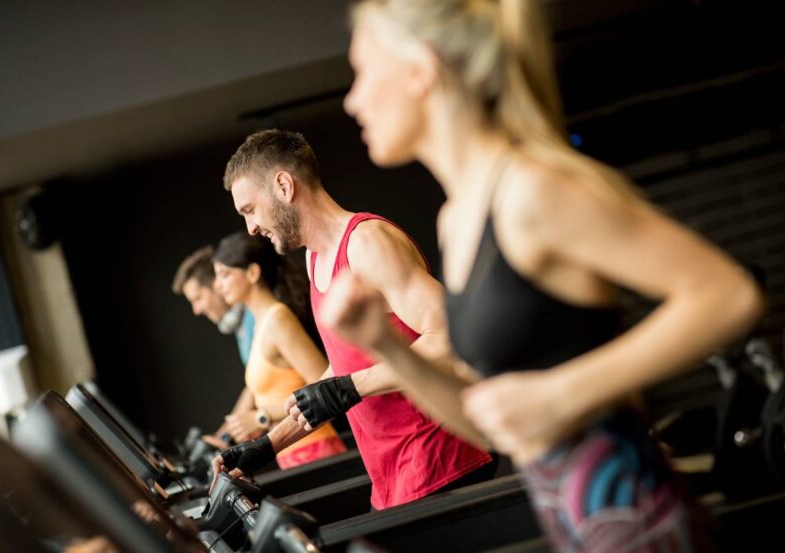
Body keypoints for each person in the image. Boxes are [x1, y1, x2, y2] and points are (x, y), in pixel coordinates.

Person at [320, 0, 765, 550]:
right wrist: (387, 345)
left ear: (420, 69)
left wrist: (562, 394)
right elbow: (486, 423)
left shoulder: (530, 191)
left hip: (645, 528)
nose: (352, 99)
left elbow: (726, 293)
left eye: (363, 71)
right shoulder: (457, 221)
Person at [212, 129, 494, 510]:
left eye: (250, 210)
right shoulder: (315, 260)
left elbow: (449, 336)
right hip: (393, 479)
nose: (251, 228)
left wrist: (350, 388)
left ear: (283, 186)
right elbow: (343, 374)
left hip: (443, 463)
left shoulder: (367, 242)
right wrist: (266, 446)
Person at [211, 231, 347, 468]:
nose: (217, 285)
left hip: (316, 453)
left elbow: (324, 387)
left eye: (225, 275)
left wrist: (260, 417)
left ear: (252, 273)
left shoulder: (278, 319)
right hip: (293, 455)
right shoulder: (261, 324)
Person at [172, 246, 258, 445]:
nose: (197, 310)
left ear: (216, 284)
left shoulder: (255, 316)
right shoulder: (241, 325)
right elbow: (253, 385)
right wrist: (221, 437)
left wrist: (224, 438)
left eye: (198, 298)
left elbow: (255, 388)